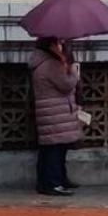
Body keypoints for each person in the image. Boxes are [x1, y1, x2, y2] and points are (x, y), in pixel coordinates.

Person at [30, 37, 82, 196]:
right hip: (55, 112)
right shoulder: (50, 64)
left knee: (51, 148)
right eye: (58, 43)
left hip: (51, 111)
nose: (61, 45)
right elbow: (66, 84)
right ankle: (53, 183)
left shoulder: (41, 62)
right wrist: (74, 70)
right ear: (50, 45)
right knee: (54, 149)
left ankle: (52, 180)